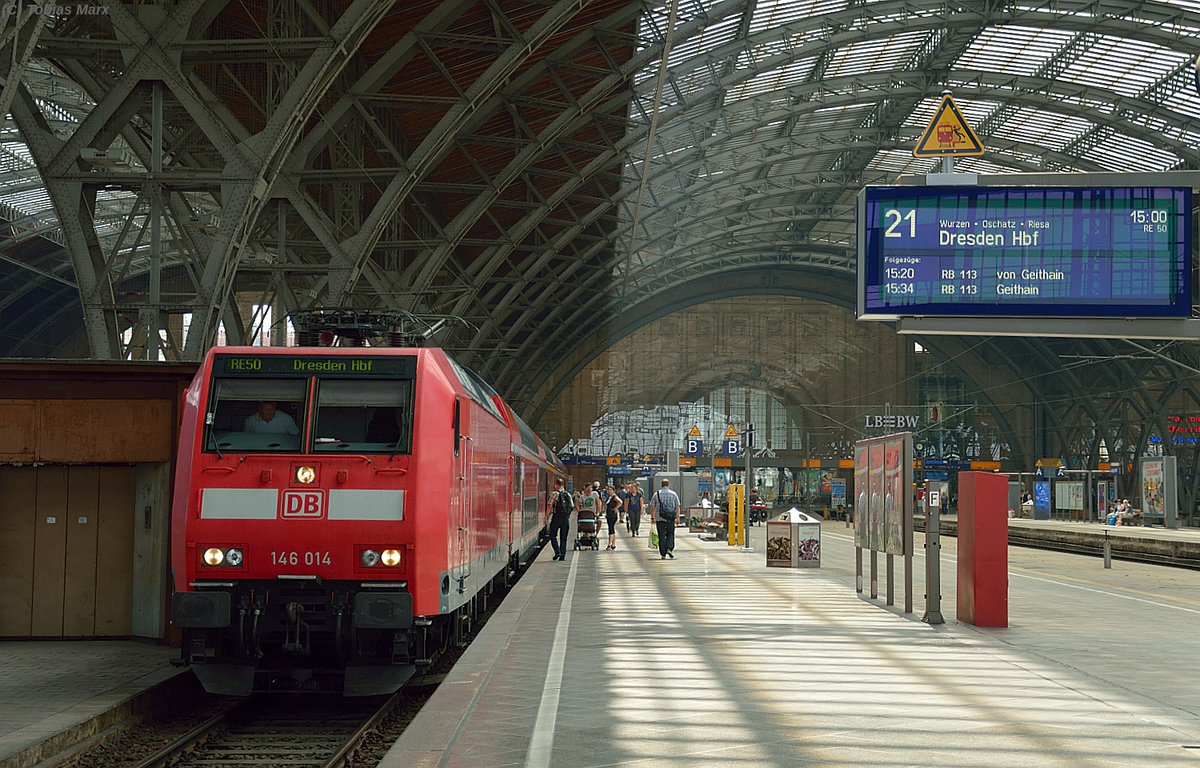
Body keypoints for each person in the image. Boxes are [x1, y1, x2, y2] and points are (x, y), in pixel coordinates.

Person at [649, 478, 680, 559]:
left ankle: (663, 553)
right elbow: (677, 506)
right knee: (670, 533)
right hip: (671, 518)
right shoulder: (673, 494)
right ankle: (669, 548)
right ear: (668, 485)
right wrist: (677, 517)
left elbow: (652, 507)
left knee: (661, 535)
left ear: (661, 485)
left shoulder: (656, 494)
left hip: (660, 518)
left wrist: (652, 517)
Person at [547, 478, 573, 560]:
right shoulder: (567, 494)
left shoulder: (555, 493)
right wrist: (567, 514)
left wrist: (545, 516)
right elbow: (571, 506)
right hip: (565, 519)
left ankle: (557, 552)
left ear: (557, 485)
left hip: (556, 517)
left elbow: (549, 505)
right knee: (563, 538)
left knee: (552, 535)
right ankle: (563, 556)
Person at [604, 484, 621, 550]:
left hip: (612, 515)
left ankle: (609, 544)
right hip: (609, 515)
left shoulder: (614, 497)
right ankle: (613, 544)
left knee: (611, 529)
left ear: (613, 491)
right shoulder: (609, 497)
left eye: (610, 490)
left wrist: (616, 508)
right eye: (608, 490)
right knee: (612, 529)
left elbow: (620, 502)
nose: (609, 491)